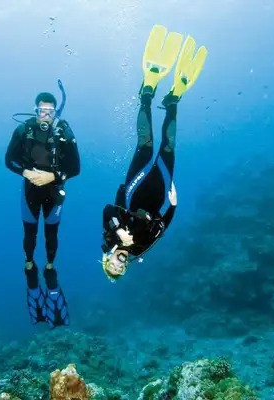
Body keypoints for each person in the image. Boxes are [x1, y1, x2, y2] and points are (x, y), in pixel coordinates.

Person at [101, 25, 208, 281]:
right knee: (169, 146)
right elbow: (164, 226)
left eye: (113, 266)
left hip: (134, 189)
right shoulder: (141, 250)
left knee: (146, 143)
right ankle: (173, 99)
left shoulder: (110, 237)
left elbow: (108, 209)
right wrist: (174, 204)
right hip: (160, 193)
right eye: (120, 269)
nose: (119, 264)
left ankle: (147, 93)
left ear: (108, 260)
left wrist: (119, 229)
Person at [5, 89, 80, 327]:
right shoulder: (23, 130)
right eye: (41, 111)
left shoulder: (64, 132)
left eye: (50, 111)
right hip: (30, 191)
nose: (45, 115)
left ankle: (49, 268)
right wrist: (25, 172)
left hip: (53, 191)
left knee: (51, 233)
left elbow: (76, 168)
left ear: (55, 112)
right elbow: (9, 160)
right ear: (35, 110)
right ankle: (29, 265)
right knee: (29, 233)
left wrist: (53, 176)